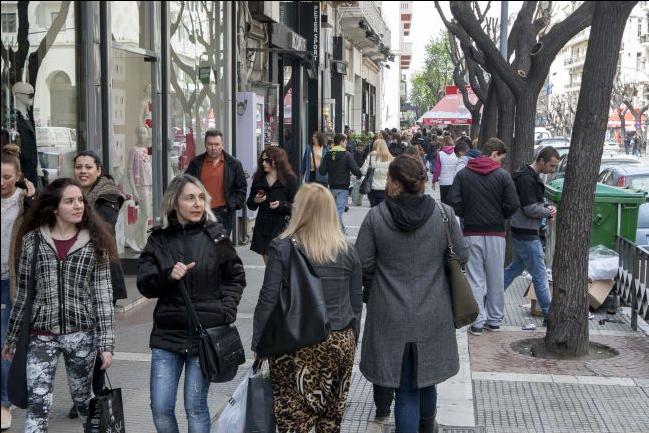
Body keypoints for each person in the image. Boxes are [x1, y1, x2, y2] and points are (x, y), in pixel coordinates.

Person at [355, 155, 468, 432]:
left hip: (389, 314)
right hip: (434, 311)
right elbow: (461, 256)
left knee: (405, 390)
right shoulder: (444, 214)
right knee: (426, 379)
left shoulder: (376, 217)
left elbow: (363, 262)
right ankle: (429, 428)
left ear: (394, 182)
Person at [2, 178, 116, 433]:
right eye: (70, 201)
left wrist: (106, 345)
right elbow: (23, 293)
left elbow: (103, 296)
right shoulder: (33, 241)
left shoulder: (95, 243)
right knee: (38, 406)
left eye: (80, 201)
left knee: (85, 402)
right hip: (41, 336)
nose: (78, 206)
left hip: (81, 335)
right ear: (54, 207)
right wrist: (11, 337)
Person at [137, 174, 246, 433]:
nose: (197, 203)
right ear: (175, 203)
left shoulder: (216, 236)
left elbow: (236, 277)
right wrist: (167, 276)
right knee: (161, 408)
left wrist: (226, 310)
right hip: (167, 335)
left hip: (204, 336)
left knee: (195, 406)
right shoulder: (159, 239)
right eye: (189, 198)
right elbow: (144, 284)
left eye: (200, 198)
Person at [251, 183, 362, 433]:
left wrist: (259, 343)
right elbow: (356, 302)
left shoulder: (282, 247)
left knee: (293, 420)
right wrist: (354, 338)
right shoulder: (348, 250)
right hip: (339, 340)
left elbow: (268, 299)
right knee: (331, 419)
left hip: (295, 341)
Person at [66, 150, 128, 418]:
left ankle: (95, 395)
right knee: (79, 341)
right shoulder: (70, 193)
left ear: (98, 170)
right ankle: (84, 395)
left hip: (102, 274)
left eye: (88, 167)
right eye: (78, 167)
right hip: (74, 276)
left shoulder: (108, 195)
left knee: (98, 339)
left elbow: (103, 226)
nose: (82, 171)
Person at [448, 138, 520, 335]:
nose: (500, 163)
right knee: (496, 276)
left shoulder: (464, 174)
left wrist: (467, 213)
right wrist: (501, 215)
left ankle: (478, 322)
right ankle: (495, 320)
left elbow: (453, 200)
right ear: (494, 153)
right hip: (496, 232)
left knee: (475, 278)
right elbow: (513, 204)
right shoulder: (503, 176)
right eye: (501, 158)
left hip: (471, 232)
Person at [505, 146, 560, 326]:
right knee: (540, 275)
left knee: (515, 268)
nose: (553, 170)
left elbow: (531, 204)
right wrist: (548, 212)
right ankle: (548, 315)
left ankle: (488, 299)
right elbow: (529, 208)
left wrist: (545, 208)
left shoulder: (525, 175)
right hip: (527, 232)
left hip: (520, 229)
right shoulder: (527, 179)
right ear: (541, 161)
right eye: (551, 166)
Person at [1, 145, 35, 431]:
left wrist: (34, 198)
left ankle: (3, 402)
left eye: (7, 176)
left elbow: (42, 227)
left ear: (18, 176)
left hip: (10, 282)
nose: (1, 181)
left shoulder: (26, 203)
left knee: (4, 342)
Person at [185, 129, 247, 238]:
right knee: (200, 247)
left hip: (224, 213)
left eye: (216, 144)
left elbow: (241, 187)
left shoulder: (234, 164)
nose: (213, 148)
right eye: (210, 144)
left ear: (222, 144)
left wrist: (233, 205)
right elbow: (185, 184)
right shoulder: (196, 163)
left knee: (220, 248)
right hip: (200, 212)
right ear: (205, 145)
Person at [247, 146, 298, 263]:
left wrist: (281, 205)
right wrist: (255, 200)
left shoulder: (289, 179)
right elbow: (250, 204)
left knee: (281, 266)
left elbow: (297, 207)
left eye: (267, 160)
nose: (264, 163)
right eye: (262, 160)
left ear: (277, 161)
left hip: (281, 228)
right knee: (269, 266)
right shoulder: (259, 178)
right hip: (263, 227)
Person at [319, 133, 363, 231]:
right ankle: (339, 233)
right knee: (338, 211)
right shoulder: (347, 154)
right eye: (345, 142)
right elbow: (355, 169)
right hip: (343, 188)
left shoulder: (328, 154)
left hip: (332, 187)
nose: (346, 144)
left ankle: (341, 230)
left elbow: (322, 171)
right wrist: (360, 175)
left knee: (335, 211)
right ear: (341, 142)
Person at [360, 139, 394, 207]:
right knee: (384, 210)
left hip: (372, 187)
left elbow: (363, 171)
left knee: (374, 210)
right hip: (385, 188)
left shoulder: (371, 156)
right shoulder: (391, 158)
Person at [432, 135, 459, 205]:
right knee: (453, 201)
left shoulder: (440, 154)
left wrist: (434, 181)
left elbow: (437, 170)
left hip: (444, 181)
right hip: (454, 181)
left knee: (444, 202)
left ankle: (446, 215)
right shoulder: (456, 153)